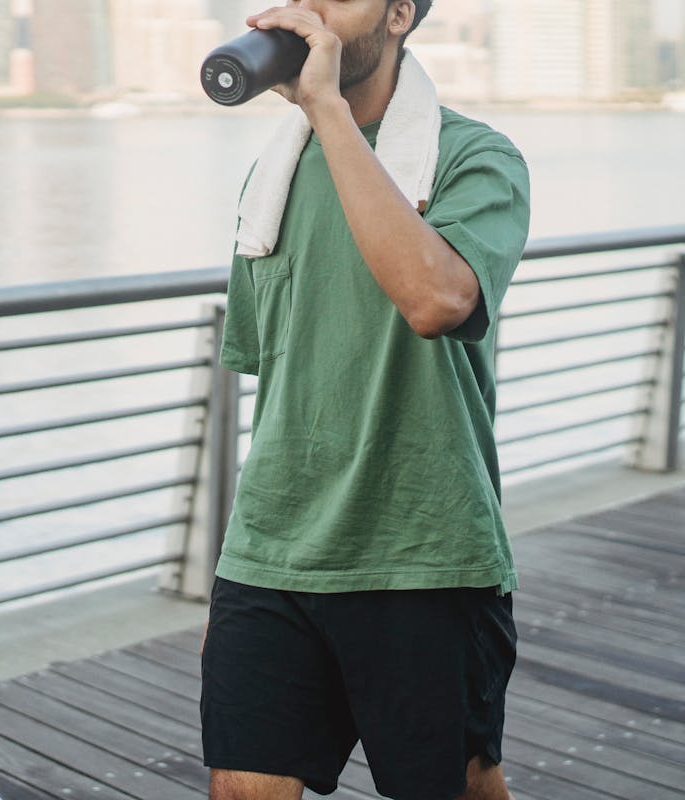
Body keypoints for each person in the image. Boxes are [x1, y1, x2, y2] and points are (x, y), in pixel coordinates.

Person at [200, 2, 530, 800]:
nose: (306, 11)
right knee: (242, 789)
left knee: (456, 785)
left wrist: (329, 113)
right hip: (275, 550)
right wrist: (241, 557)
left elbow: (435, 299)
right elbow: (280, 371)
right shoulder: (272, 176)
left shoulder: (475, 158)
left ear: (396, 16)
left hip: (422, 549)